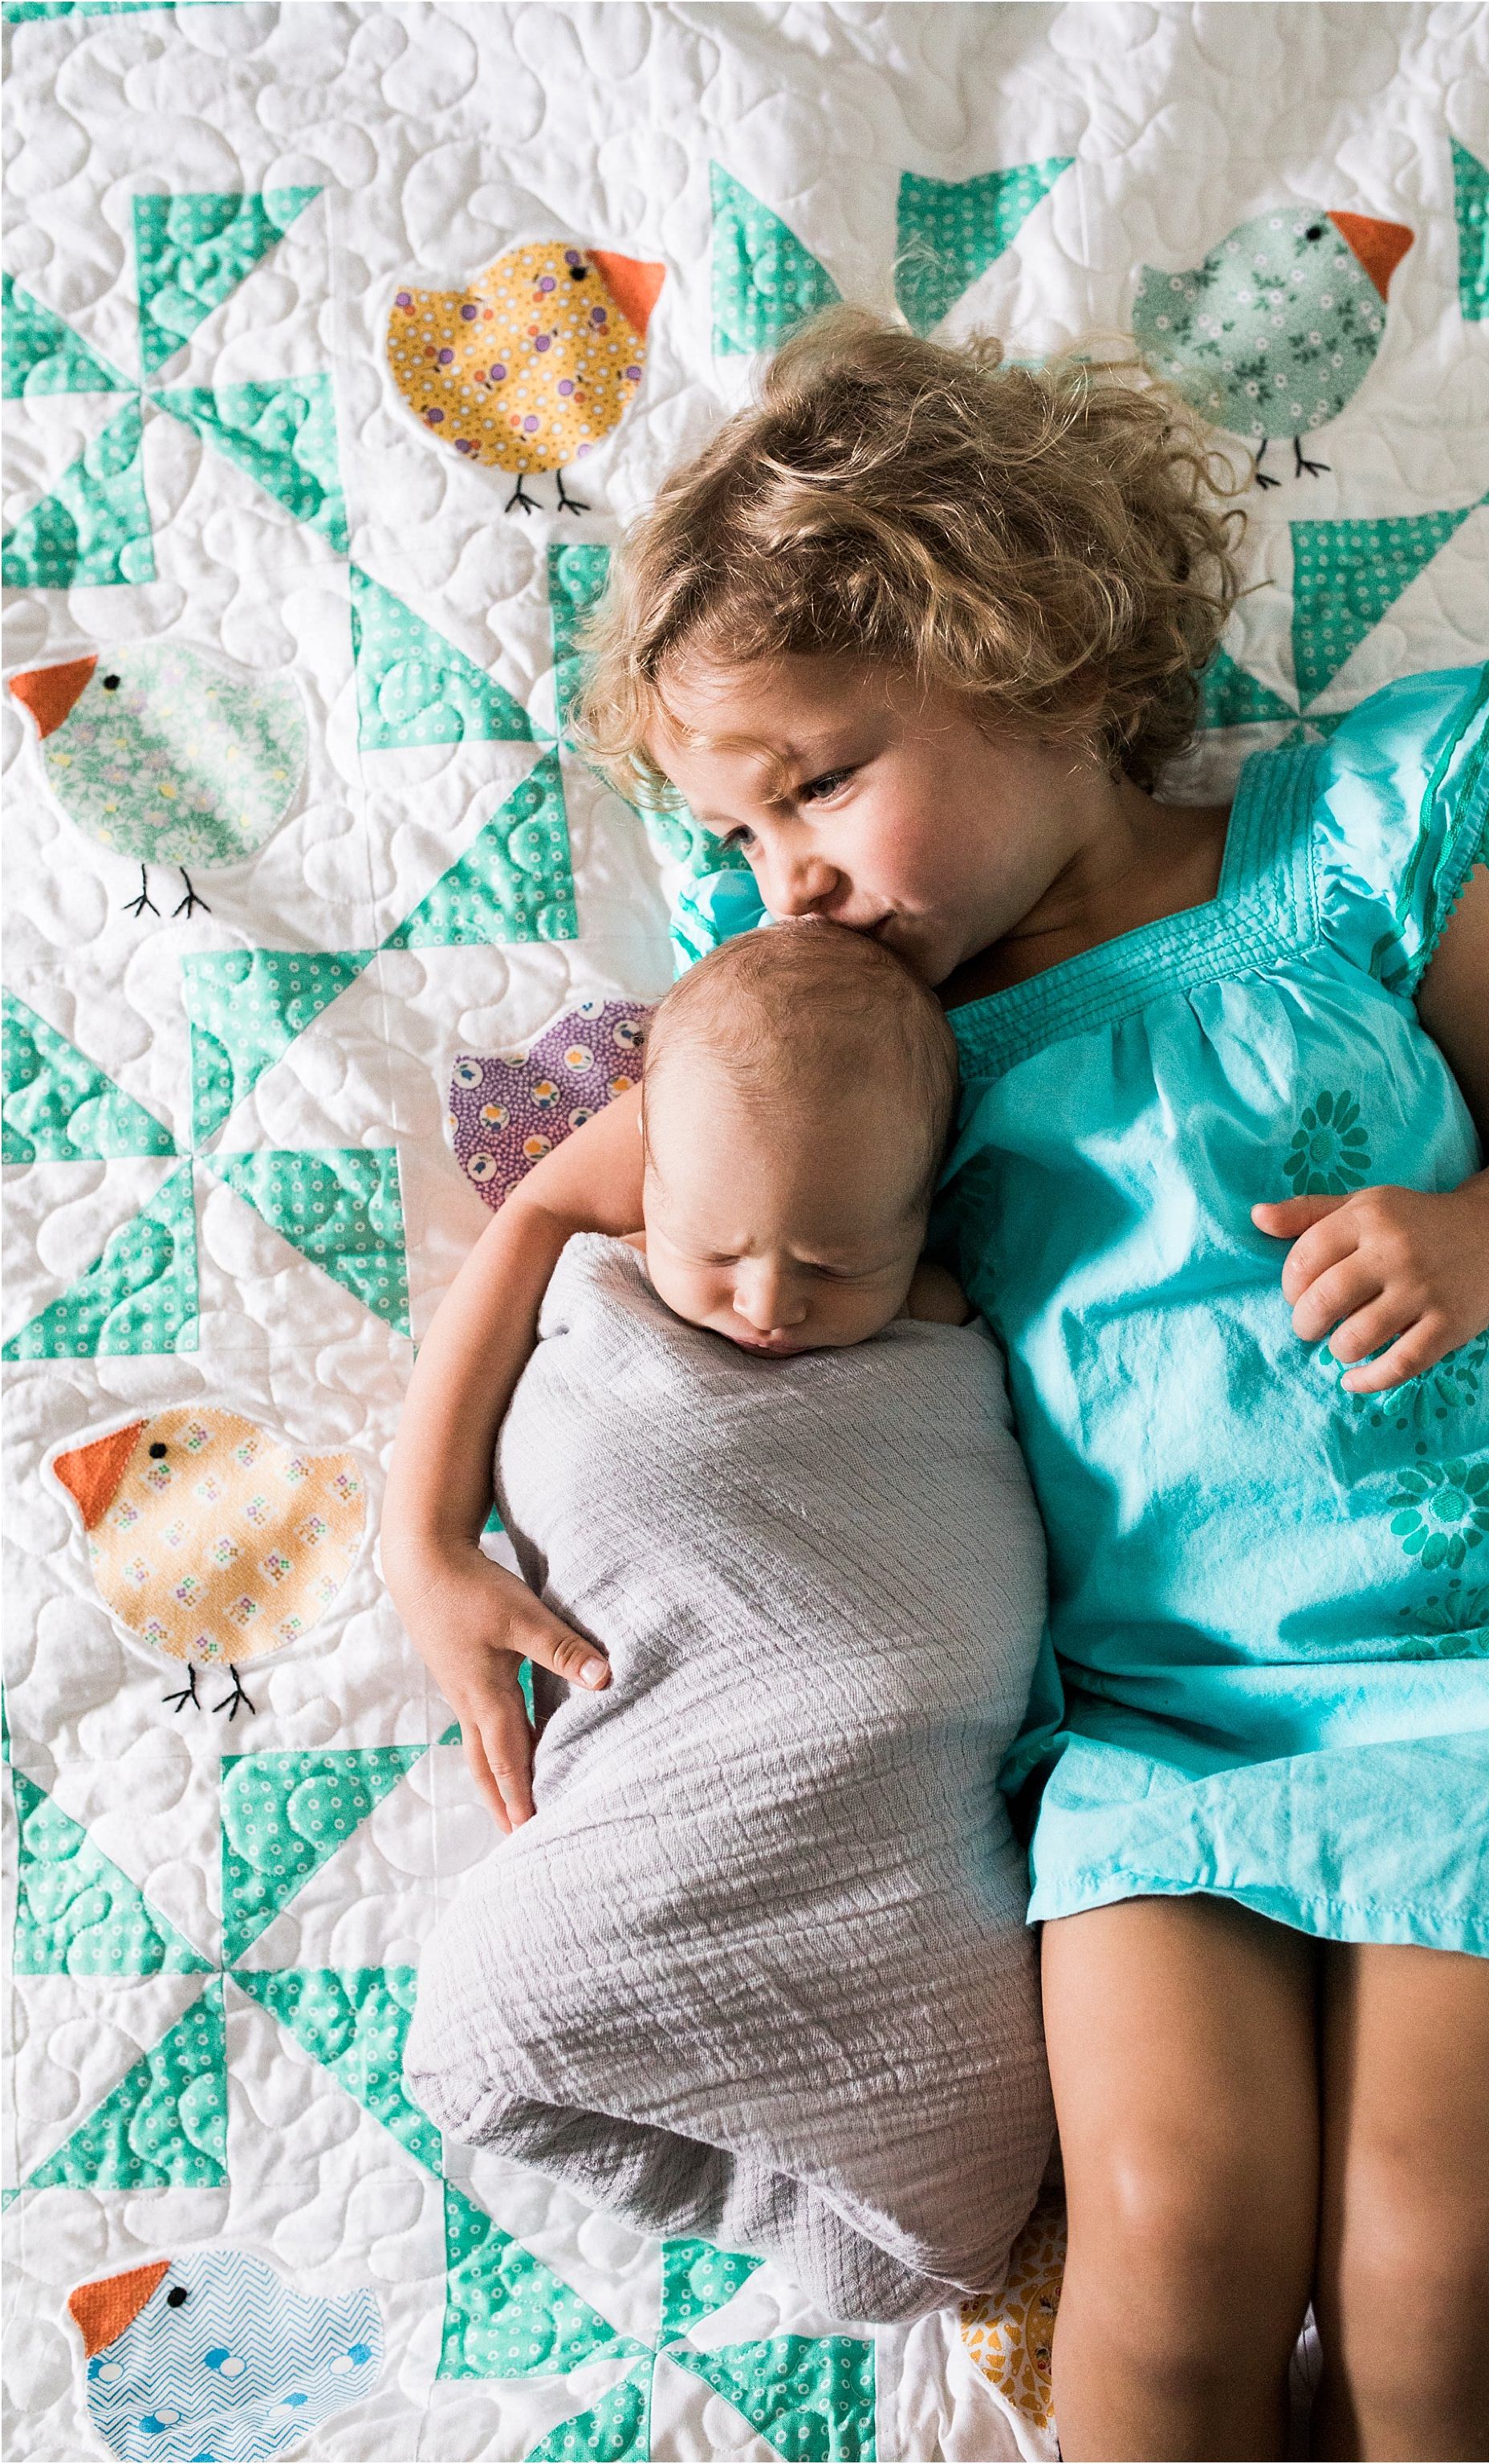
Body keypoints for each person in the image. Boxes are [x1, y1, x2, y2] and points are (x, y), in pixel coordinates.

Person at [382, 308, 1489, 2462]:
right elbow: (543, 1220)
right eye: (748, 834)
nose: (790, 880)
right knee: (1169, 2245)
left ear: (1037, 653)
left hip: (1480, 1670)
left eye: (821, 782)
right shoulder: (867, 1046)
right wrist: (426, 1538)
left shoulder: (1341, 859)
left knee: (1431, 2264)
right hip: (1139, 1727)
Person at [402, 921, 1055, 2324]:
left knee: (973, 2143)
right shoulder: (618, 1235)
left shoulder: (945, 1310)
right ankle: (742, 2166)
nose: (767, 1303)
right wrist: (425, 1541)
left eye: (834, 1262)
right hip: (670, 1760)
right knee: (484, 2013)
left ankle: (793, 2179)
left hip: (890, 1775)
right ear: (653, 1186)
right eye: (717, 1249)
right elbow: (531, 1226)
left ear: (923, 1210)